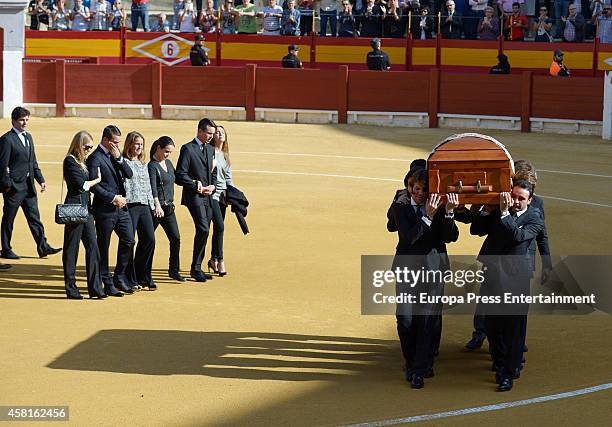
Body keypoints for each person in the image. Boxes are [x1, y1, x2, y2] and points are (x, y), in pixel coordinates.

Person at [387, 169, 459, 389]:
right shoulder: (400, 207)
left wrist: (448, 213)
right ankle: (411, 361)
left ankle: (420, 368)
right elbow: (408, 238)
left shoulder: (439, 207)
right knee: (405, 319)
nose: (418, 193)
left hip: (432, 270)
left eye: (423, 190)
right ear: (409, 187)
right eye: (415, 188)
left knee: (426, 320)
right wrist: (427, 216)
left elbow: (451, 237)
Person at [470, 181, 544, 391]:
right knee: (492, 325)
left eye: (522, 198)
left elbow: (518, 236)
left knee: (513, 327)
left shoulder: (534, 218)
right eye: (515, 197)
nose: (517, 201)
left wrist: (503, 214)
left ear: (530, 200)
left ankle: (507, 372)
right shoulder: (500, 211)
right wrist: (486, 209)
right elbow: (476, 229)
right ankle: (500, 360)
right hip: (493, 274)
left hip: (516, 278)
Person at [0, 107, 61, 260]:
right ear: (13, 121)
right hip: (14, 188)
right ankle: (6, 249)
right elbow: (2, 165)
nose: (25, 122)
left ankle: (43, 247)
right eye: (21, 120)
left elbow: (32, 162)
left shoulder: (29, 138)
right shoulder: (7, 140)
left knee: (35, 218)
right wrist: (8, 185)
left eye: (27, 119)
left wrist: (41, 179)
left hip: (28, 187)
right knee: (9, 219)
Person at [86, 125, 135, 297]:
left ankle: (119, 277)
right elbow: (94, 186)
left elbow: (129, 174)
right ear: (106, 140)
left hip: (121, 209)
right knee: (103, 247)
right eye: (115, 142)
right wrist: (113, 198)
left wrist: (120, 158)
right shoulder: (94, 158)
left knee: (129, 240)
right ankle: (106, 282)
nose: (117, 145)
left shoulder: (115, 156)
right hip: (105, 210)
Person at [62, 131, 106, 300]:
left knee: (93, 246)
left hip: (86, 209)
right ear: (78, 145)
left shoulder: (82, 162)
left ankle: (95, 288)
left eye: (91, 147)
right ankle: (71, 288)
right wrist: (98, 179)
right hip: (74, 209)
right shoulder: (70, 161)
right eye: (86, 146)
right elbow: (82, 185)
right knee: (71, 249)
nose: (89, 150)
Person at [175, 118, 217, 283]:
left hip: (208, 196)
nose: (210, 137)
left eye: (212, 134)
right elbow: (180, 175)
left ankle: (196, 266)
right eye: (208, 133)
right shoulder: (188, 149)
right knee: (204, 229)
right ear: (200, 131)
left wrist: (212, 186)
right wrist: (197, 186)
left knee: (204, 230)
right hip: (194, 196)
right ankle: (196, 268)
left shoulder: (210, 149)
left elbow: (213, 171)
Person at [123, 132, 157, 291]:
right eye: (136, 144)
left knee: (149, 239)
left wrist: (152, 205)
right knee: (130, 241)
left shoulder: (144, 164)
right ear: (129, 144)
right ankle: (130, 277)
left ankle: (144, 275)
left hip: (144, 205)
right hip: (130, 205)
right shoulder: (123, 162)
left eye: (141, 145)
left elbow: (148, 187)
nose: (139, 147)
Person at [149, 136, 185, 282]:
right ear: (158, 148)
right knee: (148, 241)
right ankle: (141, 270)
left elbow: (177, 179)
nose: (168, 155)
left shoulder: (169, 163)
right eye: (166, 151)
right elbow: (152, 188)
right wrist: (157, 205)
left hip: (169, 208)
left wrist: (196, 183)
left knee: (175, 238)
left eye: (170, 152)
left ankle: (174, 270)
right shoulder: (152, 166)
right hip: (157, 210)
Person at [208, 126, 232, 277]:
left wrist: (233, 195)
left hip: (223, 195)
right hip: (213, 195)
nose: (220, 134)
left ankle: (213, 259)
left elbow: (229, 177)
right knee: (220, 226)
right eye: (217, 132)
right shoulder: (209, 153)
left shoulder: (225, 155)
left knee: (218, 228)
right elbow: (206, 173)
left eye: (222, 132)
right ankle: (220, 260)